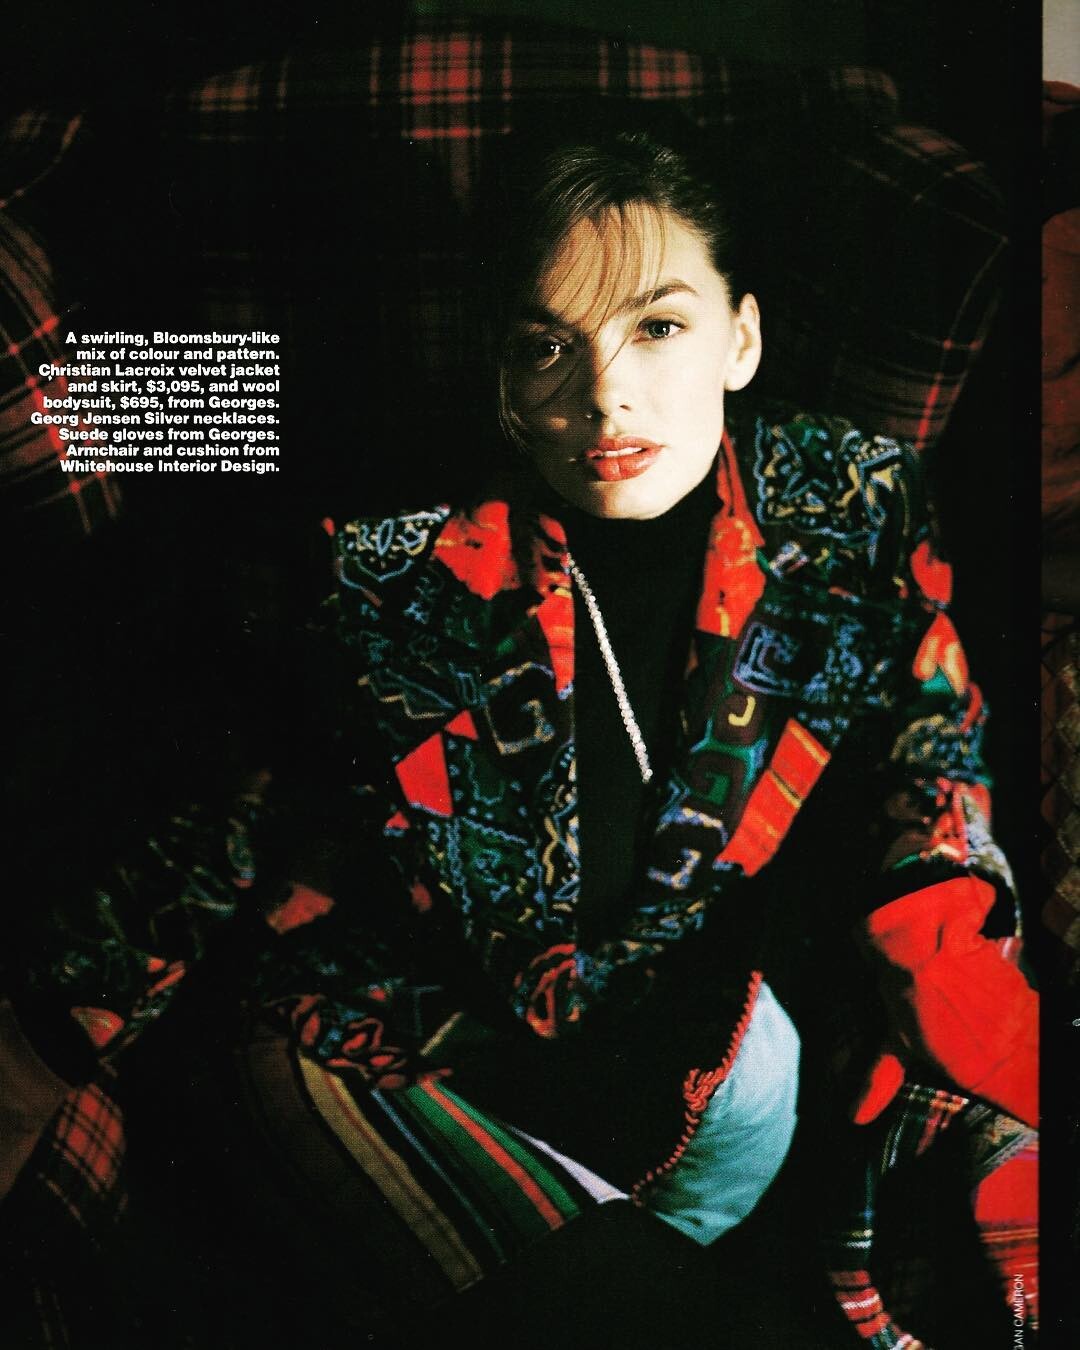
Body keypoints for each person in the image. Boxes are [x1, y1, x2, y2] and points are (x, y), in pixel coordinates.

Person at [2, 119, 1038, 1348]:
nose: (605, 395)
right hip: (375, 1048)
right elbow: (219, 821)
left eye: (658, 328)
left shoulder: (851, 501)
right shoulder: (397, 558)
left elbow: (931, 731)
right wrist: (34, 1056)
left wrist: (942, 932)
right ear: (502, 371)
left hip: (694, 1077)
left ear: (742, 337)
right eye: (548, 346)